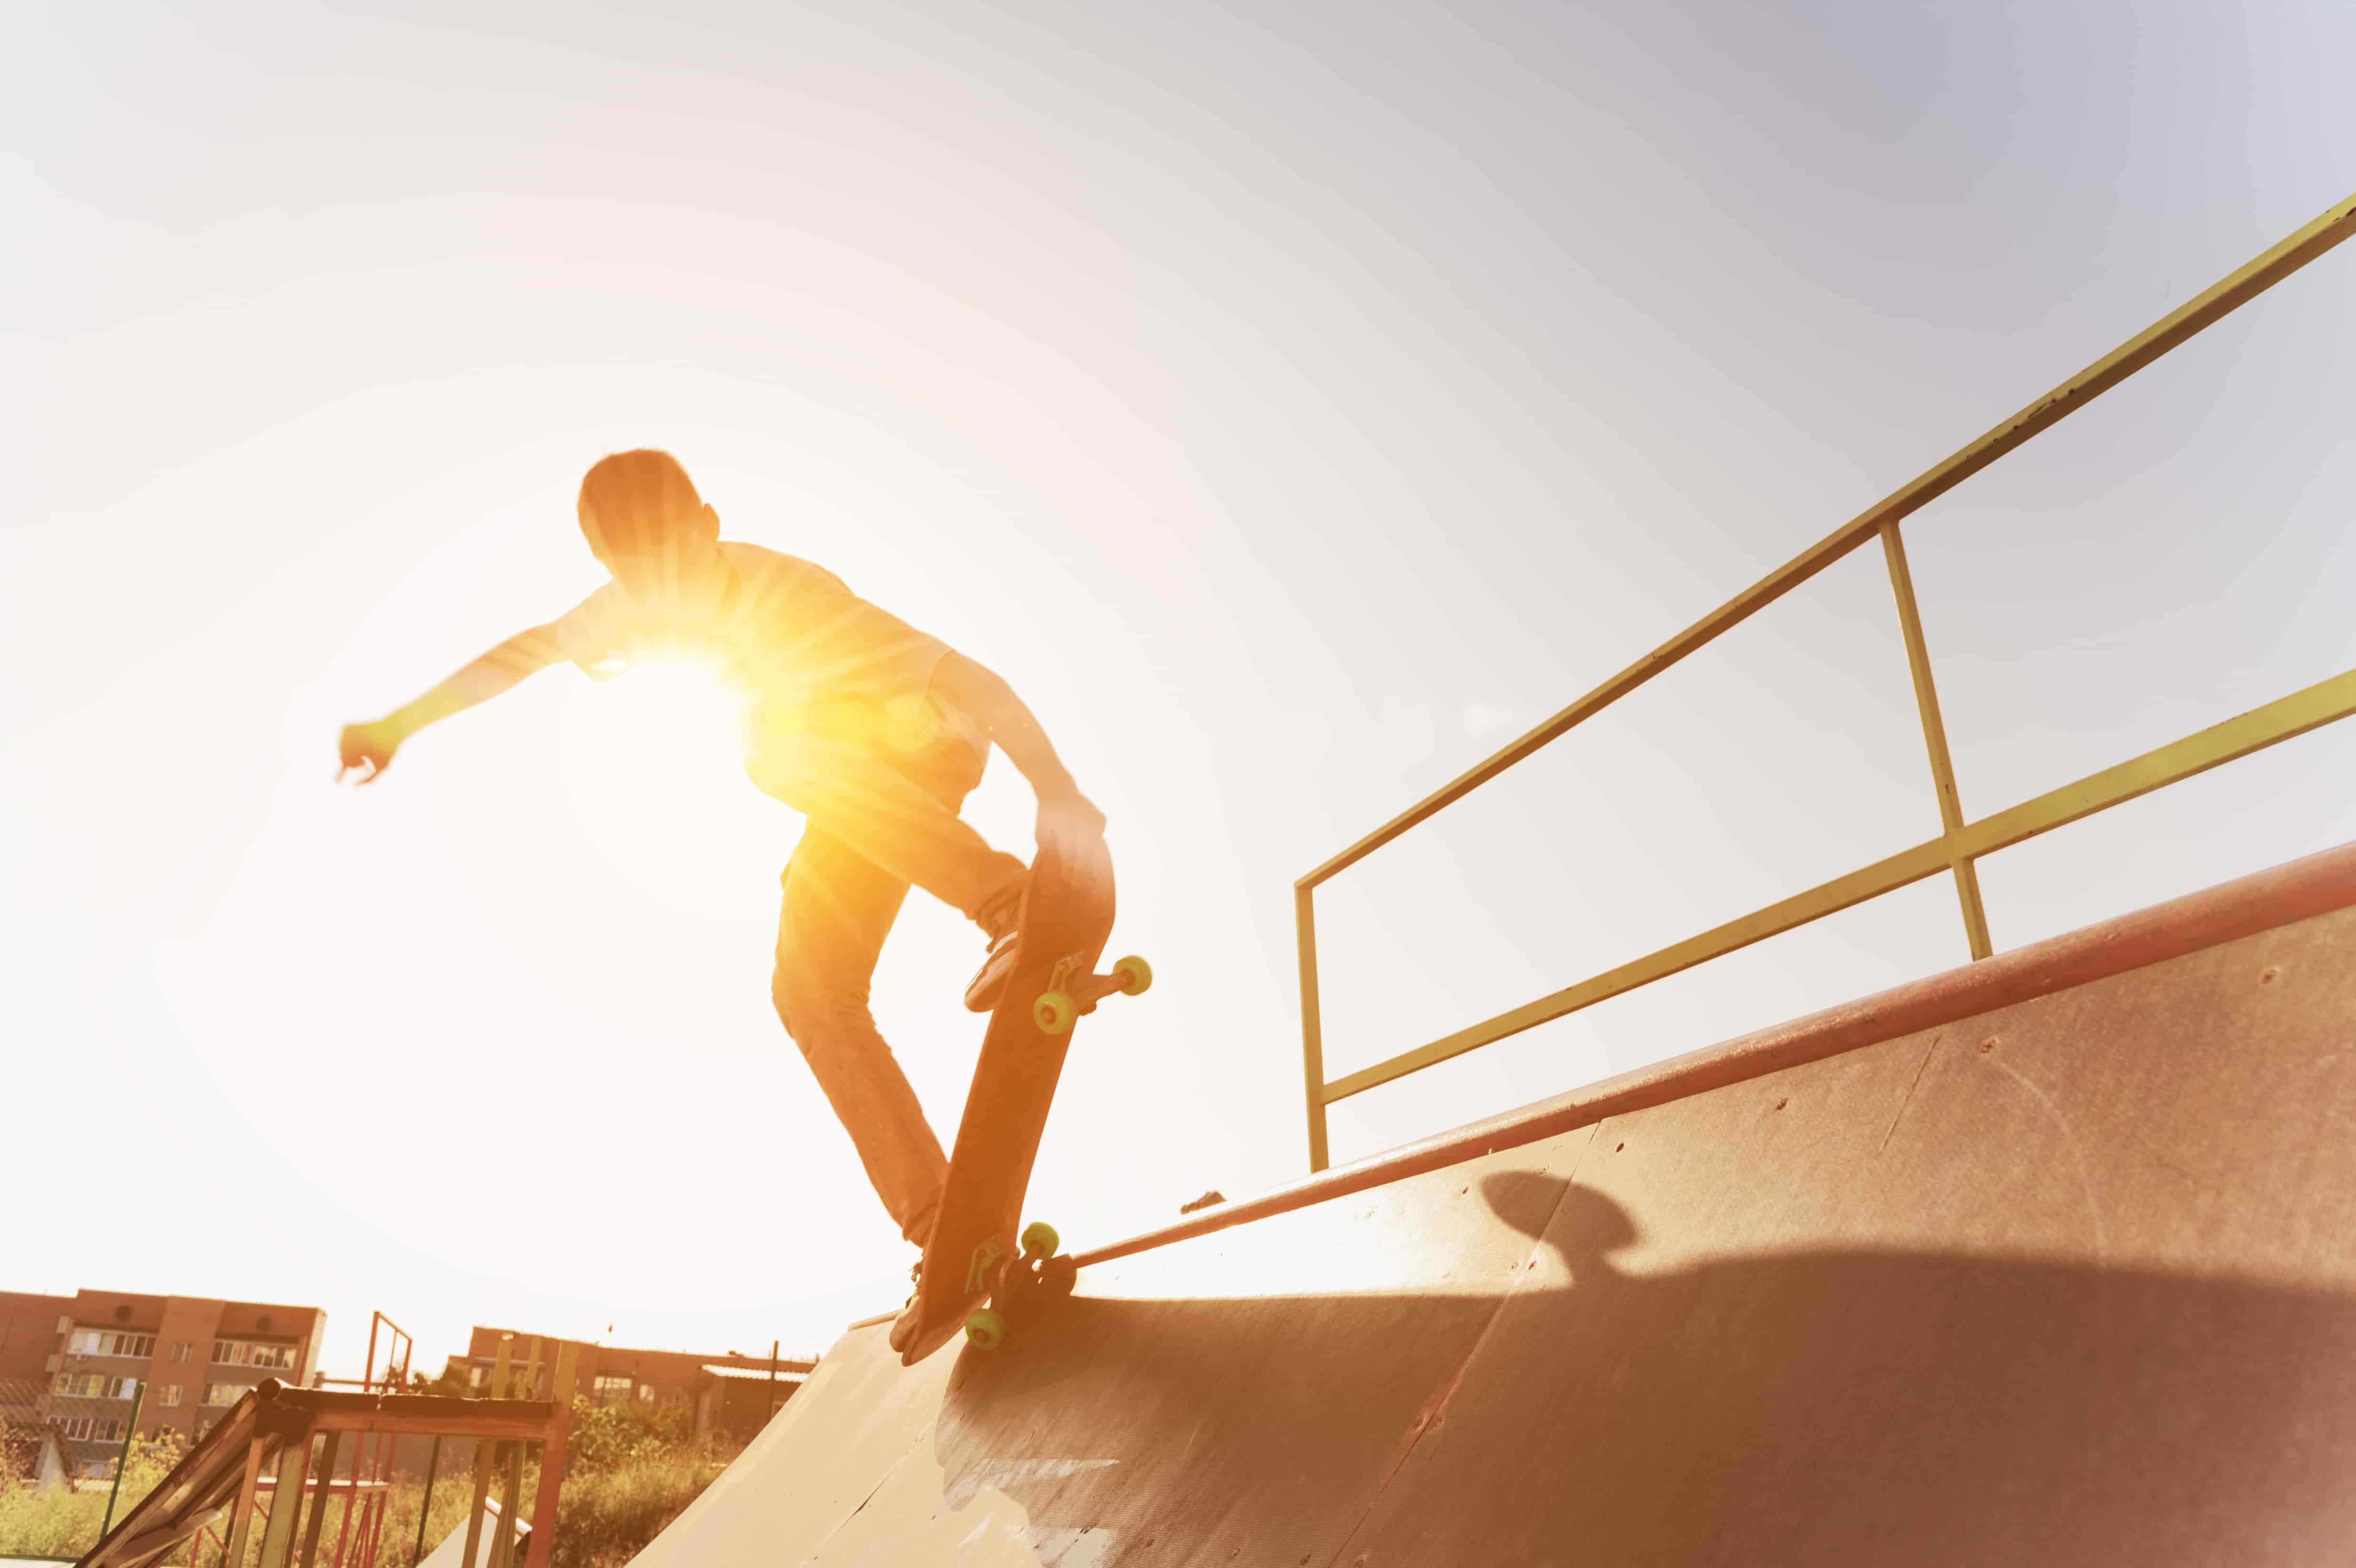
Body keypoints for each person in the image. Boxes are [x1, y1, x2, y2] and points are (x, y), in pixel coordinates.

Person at [337, 448, 1105, 1270]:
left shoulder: (792, 598)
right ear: (609, 570)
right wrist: (398, 725)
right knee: (809, 994)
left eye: (679, 573)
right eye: (641, 581)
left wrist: (1054, 788)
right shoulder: (614, 613)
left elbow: (968, 679)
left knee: (766, 747)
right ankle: (944, 1228)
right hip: (849, 792)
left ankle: (1005, 903)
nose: (667, 602)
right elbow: (518, 657)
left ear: (710, 528)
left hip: (925, 741)